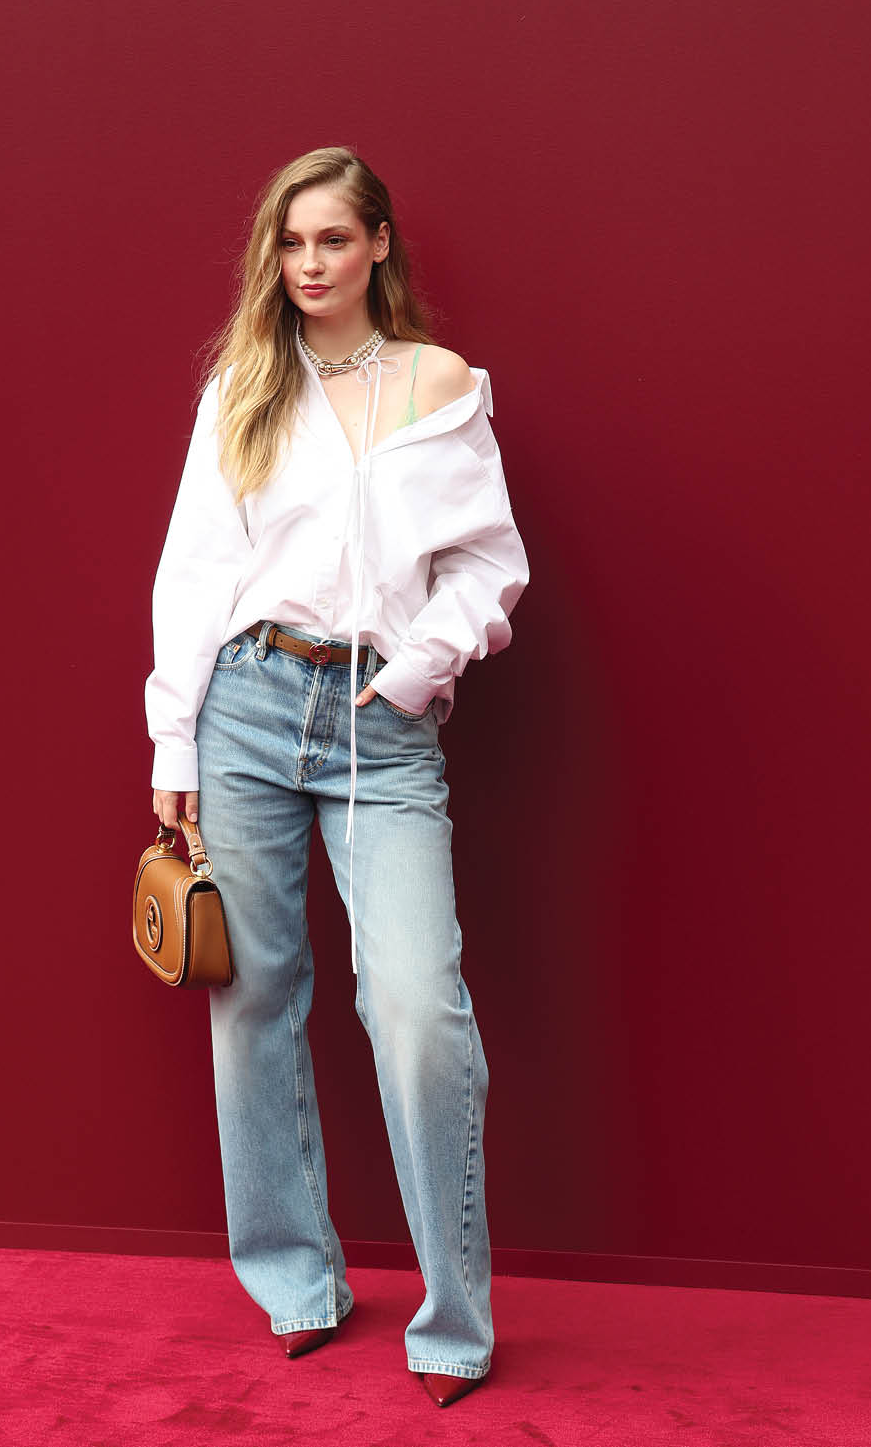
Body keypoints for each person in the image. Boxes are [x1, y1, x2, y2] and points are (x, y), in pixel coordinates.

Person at [144, 146, 529, 1408]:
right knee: (252, 1001)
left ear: (377, 244)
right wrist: (174, 738)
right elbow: (196, 570)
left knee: (415, 1005)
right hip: (249, 702)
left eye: (330, 241)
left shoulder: (440, 384)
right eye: (289, 245)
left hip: (380, 721)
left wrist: (419, 668)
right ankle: (295, 1279)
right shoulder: (245, 387)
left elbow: (487, 563)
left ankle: (454, 1317)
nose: (308, 266)